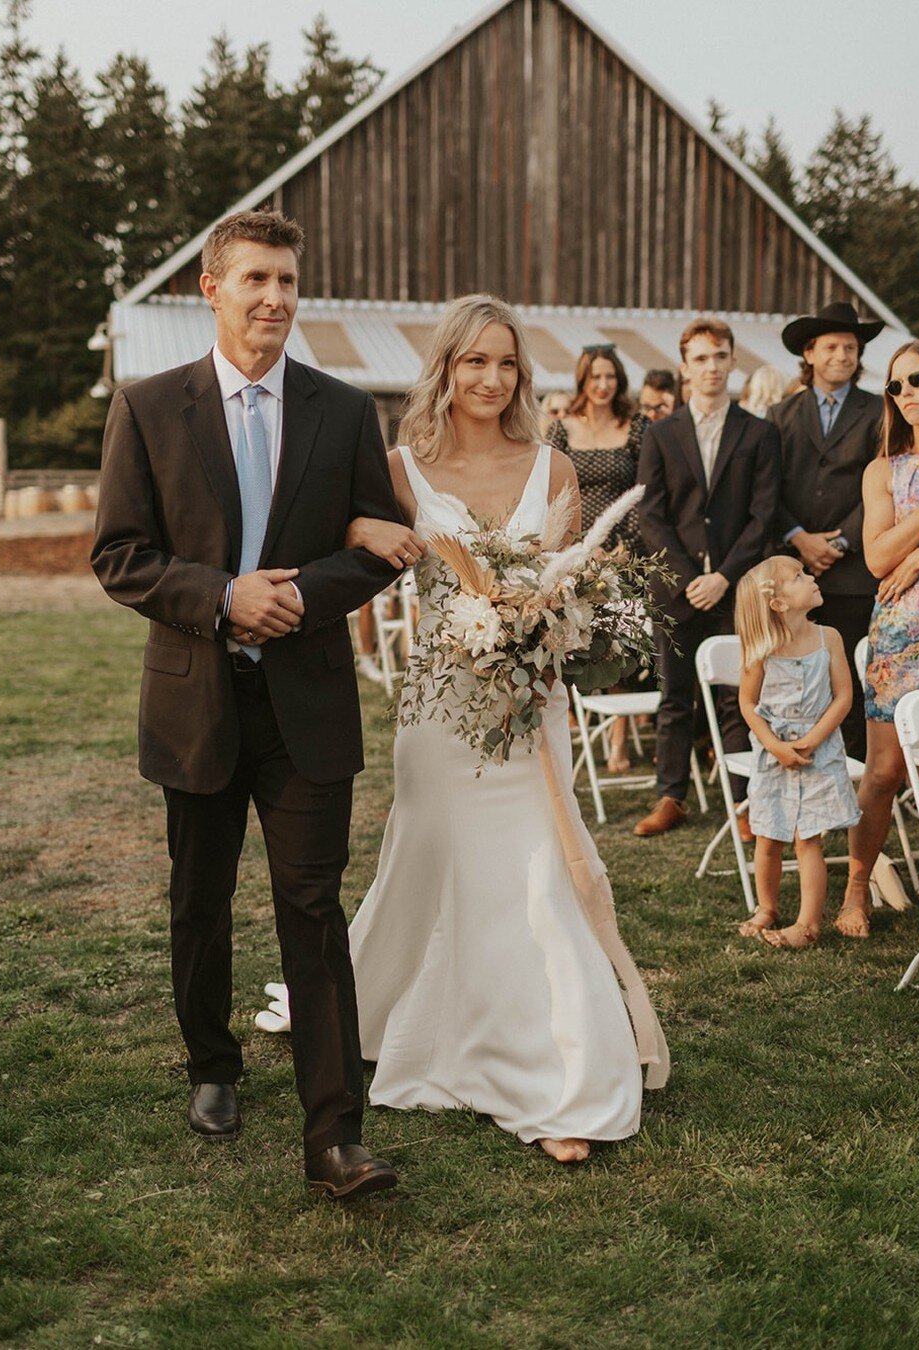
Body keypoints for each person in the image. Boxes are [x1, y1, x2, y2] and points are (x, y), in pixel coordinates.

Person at [90, 209, 408, 1200]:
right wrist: (222, 595)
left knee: (312, 911)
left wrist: (306, 593)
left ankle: (334, 1138)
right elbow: (121, 556)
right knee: (200, 901)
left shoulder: (346, 411)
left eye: (286, 281)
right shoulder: (147, 409)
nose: (274, 298)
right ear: (211, 289)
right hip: (196, 702)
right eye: (255, 280)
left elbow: (382, 541)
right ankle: (213, 1066)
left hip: (307, 705)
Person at [343, 295, 670, 1162]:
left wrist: (543, 622)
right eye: (474, 361)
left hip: (532, 711)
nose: (491, 378)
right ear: (445, 369)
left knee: (537, 884)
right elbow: (354, 551)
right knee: (431, 868)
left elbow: (569, 591)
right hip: (438, 710)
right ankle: (403, 1020)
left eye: (507, 363)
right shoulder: (397, 469)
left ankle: (562, 1078)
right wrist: (363, 524)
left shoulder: (553, 470)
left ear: (522, 375)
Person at [635, 316, 781, 836]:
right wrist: (684, 577)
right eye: (700, 358)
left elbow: (764, 516)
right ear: (684, 367)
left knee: (738, 698)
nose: (711, 367)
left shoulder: (760, 432)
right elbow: (650, 514)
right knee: (674, 697)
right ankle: (670, 796)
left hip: (736, 588)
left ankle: (743, 804)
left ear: (733, 361)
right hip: (675, 589)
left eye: (720, 356)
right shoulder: (659, 433)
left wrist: (723, 576)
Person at [837, 339, 919, 946]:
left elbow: (909, 553)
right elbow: (879, 557)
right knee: (883, 773)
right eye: (895, 386)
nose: (905, 394)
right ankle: (858, 885)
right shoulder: (883, 470)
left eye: (917, 380)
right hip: (901, 637)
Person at [770, 302, 886, 761]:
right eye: (833, 346)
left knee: (851, 679)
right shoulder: (780, 415)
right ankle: (797, 762)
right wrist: (798, 536)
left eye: (851, 348)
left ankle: (852, 773)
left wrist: (839, 541)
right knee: (795, 676)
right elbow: (766, 489)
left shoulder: (880, 410)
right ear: (810, 352)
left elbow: (883, 481)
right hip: (792, 569)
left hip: (855, 569)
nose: (843, 355)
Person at [734, 556, 860, 948]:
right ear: (778, 604)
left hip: (819, 751)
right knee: (768, 835)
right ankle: (766, 907)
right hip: (774, 754)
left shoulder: (830, 639)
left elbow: (843, 698)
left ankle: (808, 925)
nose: (811, 578)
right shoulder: (761, 651)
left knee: (809, 840)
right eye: (799, 576)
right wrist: (775, 745)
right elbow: (746, 703)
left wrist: (812, 740)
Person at [547, 344, 649, 771]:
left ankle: (619, 740)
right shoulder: (561, 429)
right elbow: (552, 492)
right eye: (595, 377)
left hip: (624, 548)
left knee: (619, 644)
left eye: (611, 376)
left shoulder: (636, 425)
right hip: (573, 550)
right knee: (572, 641)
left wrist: (625, 546)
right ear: (582, 381)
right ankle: (571, 728)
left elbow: (647, 488)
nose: (603, 385)